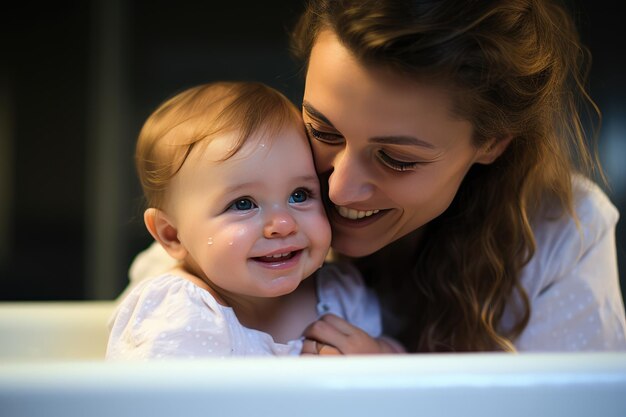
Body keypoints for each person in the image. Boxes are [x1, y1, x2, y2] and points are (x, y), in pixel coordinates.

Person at [128, 0, 626, 353]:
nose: (338, 189)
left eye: (397, 159)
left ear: (491, 143)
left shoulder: (563, 235)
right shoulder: (248, 214)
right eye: (322, 129)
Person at [106, 81, 402, 359]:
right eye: (243, 203)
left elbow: (416, 375)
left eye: (299, 195)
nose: (283, 224)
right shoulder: (180, 312)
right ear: (172, 235)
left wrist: (377, 356)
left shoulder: (340, 294)